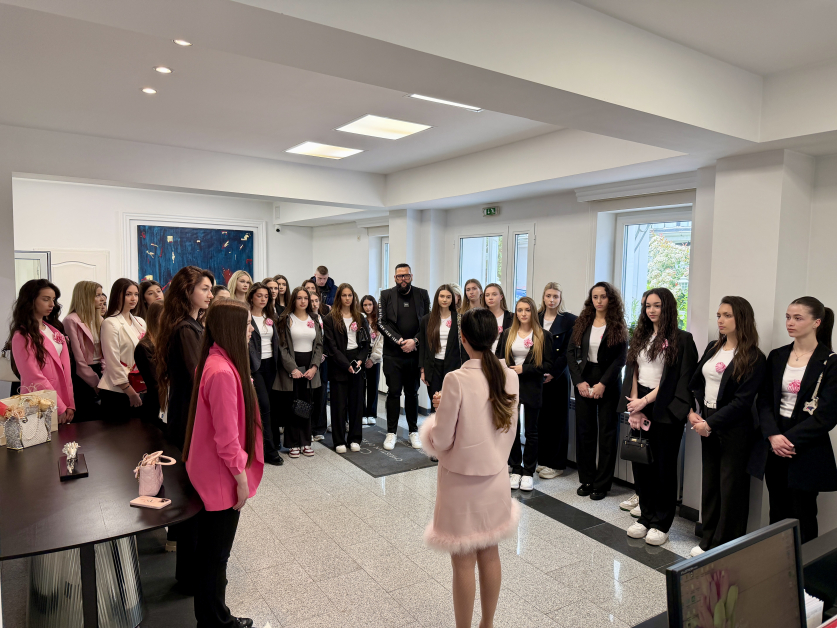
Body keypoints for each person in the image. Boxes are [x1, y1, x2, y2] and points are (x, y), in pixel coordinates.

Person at [419, 308, 519, 628]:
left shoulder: (456, 379)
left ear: (462, 338)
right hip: (495, 477)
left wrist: (436, 417)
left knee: (462, 561)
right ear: (497, 335)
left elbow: (442, 439)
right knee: (490, 552)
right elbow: (508, 429)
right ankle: (487, 624)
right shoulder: (510, 376)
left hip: (460, 484)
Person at [182, 298, 262, 628]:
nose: (251, 330)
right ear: (231, 328)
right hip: (220, 474)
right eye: (247, 324)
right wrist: (241, 479)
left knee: (211, 554)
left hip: (210, 468)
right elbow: (227, 439)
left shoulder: (216, 361)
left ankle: (213, 616)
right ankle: (216, 621)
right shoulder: (221, 372)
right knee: (216, 555)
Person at [751, 296, 836, 544]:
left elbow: (827, 414)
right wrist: (772, 435)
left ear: (816, 322)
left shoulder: (830, 362)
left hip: (806, 446)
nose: (790, 322)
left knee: (803, 513)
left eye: (798, 318)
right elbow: (764, 400)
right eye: (788, 317)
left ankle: (804, 565)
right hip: (774, 442)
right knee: (777, 509)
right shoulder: (777, 356)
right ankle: (777, 562)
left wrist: (787, 440)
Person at [620, 287, 698, 546]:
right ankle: (645, 517)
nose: (651, 310)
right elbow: (632, 370)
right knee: (641, 463)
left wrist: (645, 402)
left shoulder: (682, 339)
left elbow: (678, 381)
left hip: (665, 407)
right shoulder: (641, 335)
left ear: (668, 308)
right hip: (639, 403)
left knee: (663, 467)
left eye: (657, 305)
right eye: (648, 306)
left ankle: (661, 524)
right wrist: (635, 406)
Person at [688, 296, 765, 556]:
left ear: (741, 318)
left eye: (727, 315)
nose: (720, 320)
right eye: (719, 315)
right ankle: (707, 539)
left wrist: (710, 423)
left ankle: (724, 545)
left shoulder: (754, 357)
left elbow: (743, 402)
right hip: (706, 420)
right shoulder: (713, 347)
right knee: (710, 483)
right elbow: (696, 382)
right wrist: (694, 412)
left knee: (731, 488)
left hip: (734, 428)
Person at [156, 266, 214, 577]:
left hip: (187, 414)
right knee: (192, 493)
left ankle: (188, 570)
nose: (209, 294)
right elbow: (198, 379)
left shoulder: (190, 325)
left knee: (191, 491)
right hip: (189, 418)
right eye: (204, 288)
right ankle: (189, 573)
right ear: (187, 290)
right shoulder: (185, 329)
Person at [567, 282, 628, 500]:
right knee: (585, 431)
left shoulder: (618, 324)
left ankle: (602, 484)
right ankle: (587, 479)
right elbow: (570, 353)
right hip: (585, 377)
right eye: (595, 297)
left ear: (610, 299)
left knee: (607, 433)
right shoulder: (582, 322)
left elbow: (620, 359)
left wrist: (603, 384)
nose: (599, 301)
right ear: (590, 299)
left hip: (608, 381)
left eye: (603, 296)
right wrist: (579, 382)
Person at [496, 297, 553, 492]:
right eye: (519, 310)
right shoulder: (507, 334)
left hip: (532, 387)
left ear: (533, 312)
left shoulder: (543, 335)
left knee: (531, 431)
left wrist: (525, 369)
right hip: (510, 387)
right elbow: (498, 359)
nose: (523, 314)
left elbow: (548, 364)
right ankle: (515, 468)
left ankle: (528, 471)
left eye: (527, 310)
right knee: (512, 428)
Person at [5, 279, 75, 423]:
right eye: (46, 299)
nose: (52, 304)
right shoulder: (22, 336)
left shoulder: (54, 330)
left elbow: (66, 373)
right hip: (38, 404)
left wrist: (70, 404)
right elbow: (33, 377)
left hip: (62, 401)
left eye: (53, 300)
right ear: (31, 301)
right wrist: (59, 406)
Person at [378, 263, 431, 451]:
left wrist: (414, 341)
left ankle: (413, 431)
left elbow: (428, 323)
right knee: (393, 392)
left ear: (411, 276)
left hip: (414, 354)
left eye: (406, 275)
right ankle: (391, 432)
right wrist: (399, 341)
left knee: (412, 393)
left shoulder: (422, 294)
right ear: (394, 278)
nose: (403, 279)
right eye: (399, 276)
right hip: (393, 354)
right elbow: (381, 323)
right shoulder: (386, 295)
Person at [323, 283, 371, 453]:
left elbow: (366, 343)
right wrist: (346, 365)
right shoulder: (330, 319)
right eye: (344, 295)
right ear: (339, 297)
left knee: (357, 403)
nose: (347, 298)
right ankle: (339, 441)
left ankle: (355, 438)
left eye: (350, 295)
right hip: (339, 363)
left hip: (357, 362)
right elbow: (332, 347)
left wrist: (360, 360)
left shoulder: (360, 317)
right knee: (339, 405)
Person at [537, 282, 578, 479]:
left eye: (555, 296)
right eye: (548, 296)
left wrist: (553, 373)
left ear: (560, 298)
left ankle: (556, 464)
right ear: (543, 297)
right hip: (537, 375)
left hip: (558, 376)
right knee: (540, 419)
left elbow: (569, 352)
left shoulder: (570, 320)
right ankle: (543, 460)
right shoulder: (536, 317)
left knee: (557, 420)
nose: (551, 300)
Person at [276, 286, 323, 458]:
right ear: (293, 300)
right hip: (292, 366)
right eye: (299, 298)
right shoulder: (285, 319)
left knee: (306, 404)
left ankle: (305, 441)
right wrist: (292, 368)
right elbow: (282, 347)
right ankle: (292, 443)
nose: (303, 301)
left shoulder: (314, 318)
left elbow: (319, 345)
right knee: (293, 404)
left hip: (309, 366)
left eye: (306, 298)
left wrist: (314, 367)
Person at [245, 282, 283, 465]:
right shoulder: (246, 316)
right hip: (255, 367)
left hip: (271, 365)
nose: (263, 299)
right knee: (264, 406)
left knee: (272, 406)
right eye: (259, 295)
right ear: (252, 296)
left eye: (266, 296)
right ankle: (269, 451)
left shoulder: (271, 316)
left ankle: (271, 443)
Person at [98, 278, 146, 420]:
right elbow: (112, 362)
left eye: (136, 294)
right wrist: (129, 391)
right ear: (117, 295)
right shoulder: (110, 323)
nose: (133, 298)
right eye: (128, 294)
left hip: (139, 384)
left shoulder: (140, 322)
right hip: (117, 390)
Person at [64, 280, 105, 422]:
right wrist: (94, 381)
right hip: (82, 375)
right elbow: (78, 358)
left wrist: (104, 374)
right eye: (97, 295)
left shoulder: (100, 319)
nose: (102, 299)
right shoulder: (71, 320)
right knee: (87, 418)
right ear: (85, 297)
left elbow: (105, 351)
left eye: (101, 295)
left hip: (101, 370)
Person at [419, 285, 463, 400]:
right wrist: (422, 371)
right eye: (442, 296)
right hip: (433, 367)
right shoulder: (427, 319)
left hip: (453, 366)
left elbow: (464, 346)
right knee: (435, 401)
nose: (445, 300)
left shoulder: (459, 319)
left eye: (448, 297)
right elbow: (423, 346)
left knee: (451, 402)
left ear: (452, 299)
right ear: (437, 298)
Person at [134, 301, 165, 431]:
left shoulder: (165, 341)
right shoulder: (144, 347)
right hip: (155, 404)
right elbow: (154, 381)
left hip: (165, 401)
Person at [309, 291, 329, 441]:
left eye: (316, 300)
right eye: (311, 301)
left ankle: (319, 428)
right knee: (310, 395)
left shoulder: (325, 318)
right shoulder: (305, 319)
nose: (314, 303)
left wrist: (324, 353)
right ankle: (308, 428)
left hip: (324, 361)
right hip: (310, 360)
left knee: (322, 394)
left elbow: (329, 339)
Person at [361, 295, 383, 426]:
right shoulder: (359, 320)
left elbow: (381, 342)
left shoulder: (379, 321)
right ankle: (363, 413)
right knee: (361, 386)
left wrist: (373, 359)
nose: (368, 307)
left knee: (373, 386)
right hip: (361, 356)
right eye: (365, 305)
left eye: (370, 304)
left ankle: (372, 414)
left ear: (374, 305)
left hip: (375, 357)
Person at [482, 283, 513, 353]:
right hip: (485, 356)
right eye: (487, 295)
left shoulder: (511, 317)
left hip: (504, 356)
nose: (490, 298)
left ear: (501, 297)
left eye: (494, 294)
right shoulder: (480, 318)